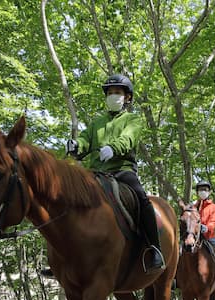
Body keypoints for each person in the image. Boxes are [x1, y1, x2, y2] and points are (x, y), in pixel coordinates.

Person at [66, 74, 164, 271]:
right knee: (69, 200)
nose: (113, 96)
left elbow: (128, 138)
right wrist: (77, 145)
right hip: (94, 173)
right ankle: (66, 254)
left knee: (142, 199)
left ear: (127, 97)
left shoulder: (133, 119)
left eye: (118, 92)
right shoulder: (96, 123)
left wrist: (113, 148)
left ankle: (154, 249)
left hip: (122, 171)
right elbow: (85, 140)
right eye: (110, 93)